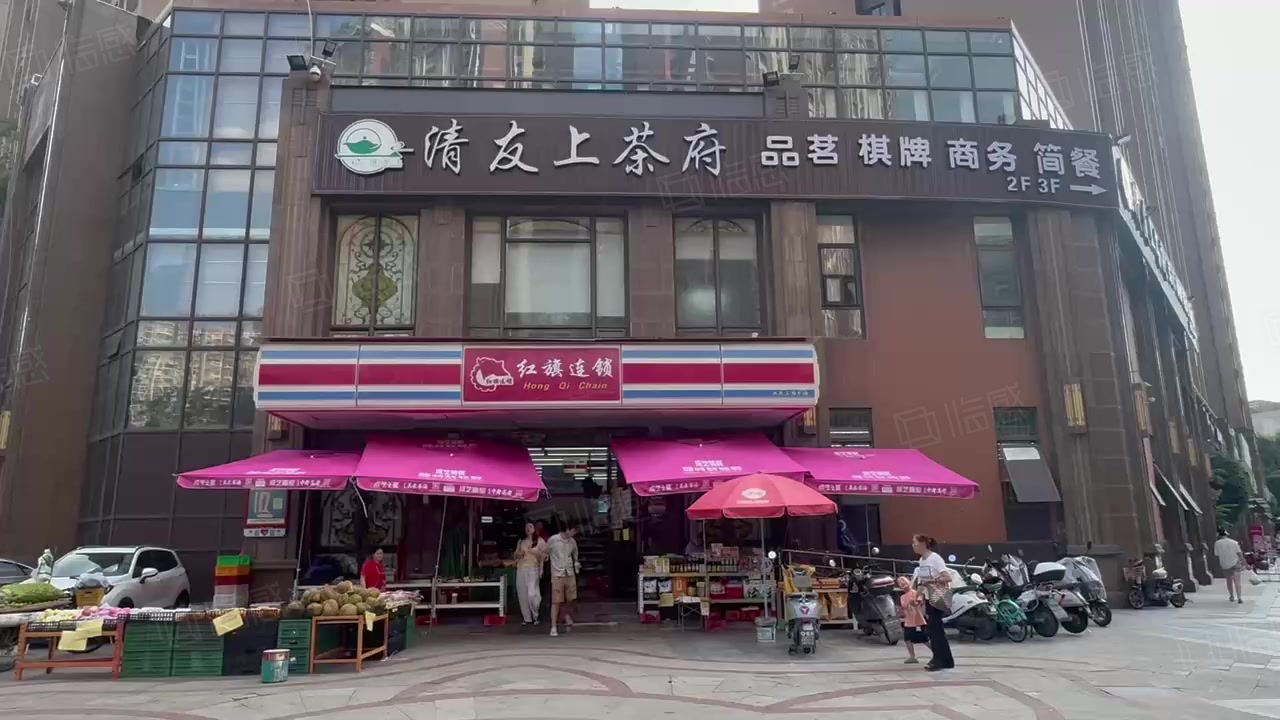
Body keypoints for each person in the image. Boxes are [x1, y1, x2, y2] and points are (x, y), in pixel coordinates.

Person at [911, 534, 954, 671]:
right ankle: (946, 660)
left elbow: (947, 577)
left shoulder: (935, 558)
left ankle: (938, 659)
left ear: (922, 544)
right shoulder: (922, 560)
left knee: (934, 629)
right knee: (936, 629)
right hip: (929, 598)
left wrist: (931, 581)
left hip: (938, 597)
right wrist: (917, 595)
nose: (913, 546)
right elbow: (922, 581)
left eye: (914, 543)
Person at [546, 526, 580, 637]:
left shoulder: (572, 541)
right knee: (556, 601)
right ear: (567, 529)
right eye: (573, 531)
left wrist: (576, 563)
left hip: (569, 572)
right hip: (557, 574)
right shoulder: (553, 539)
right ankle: (553, 626)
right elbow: (545, 552)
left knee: (571, 598)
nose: (574, 534)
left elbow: (575, 553)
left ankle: (565, 614)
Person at [515, 522, 547, 626]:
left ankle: (535, 615)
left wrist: (541, 568)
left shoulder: (540, 541)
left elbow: (544, 556)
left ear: (534, 529)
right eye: (526, 527)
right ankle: (527, 618)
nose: (528, 528)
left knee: (532, 594)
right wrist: (519, 554)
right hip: (522, 568)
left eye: (530, 526)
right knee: (522, 594)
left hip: (533, 569)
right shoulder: (521, 541)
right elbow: (516, 555)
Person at [896, 576, 929, 665]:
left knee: (925, 639)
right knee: (907, 639)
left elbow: (919, 603)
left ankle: (937, 653)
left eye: (904, 582)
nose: (903, 584)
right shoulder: (902, 597)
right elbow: (903, 607)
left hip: (918, 620)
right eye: (900, 583)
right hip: (908, 621)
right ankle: (912, 657)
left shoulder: (916, 593)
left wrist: (913, 602)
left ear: (909, 582)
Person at [1215, 528, 1246, 604]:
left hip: (1225, 564)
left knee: (1229, 581)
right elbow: (1239, 554)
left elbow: (1217, 555)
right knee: (1237, 581)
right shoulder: (1234, 542)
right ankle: (1239, 597)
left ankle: (1232, 596)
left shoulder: (1217, 543)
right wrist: (1245, 563)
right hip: (1235, 563)